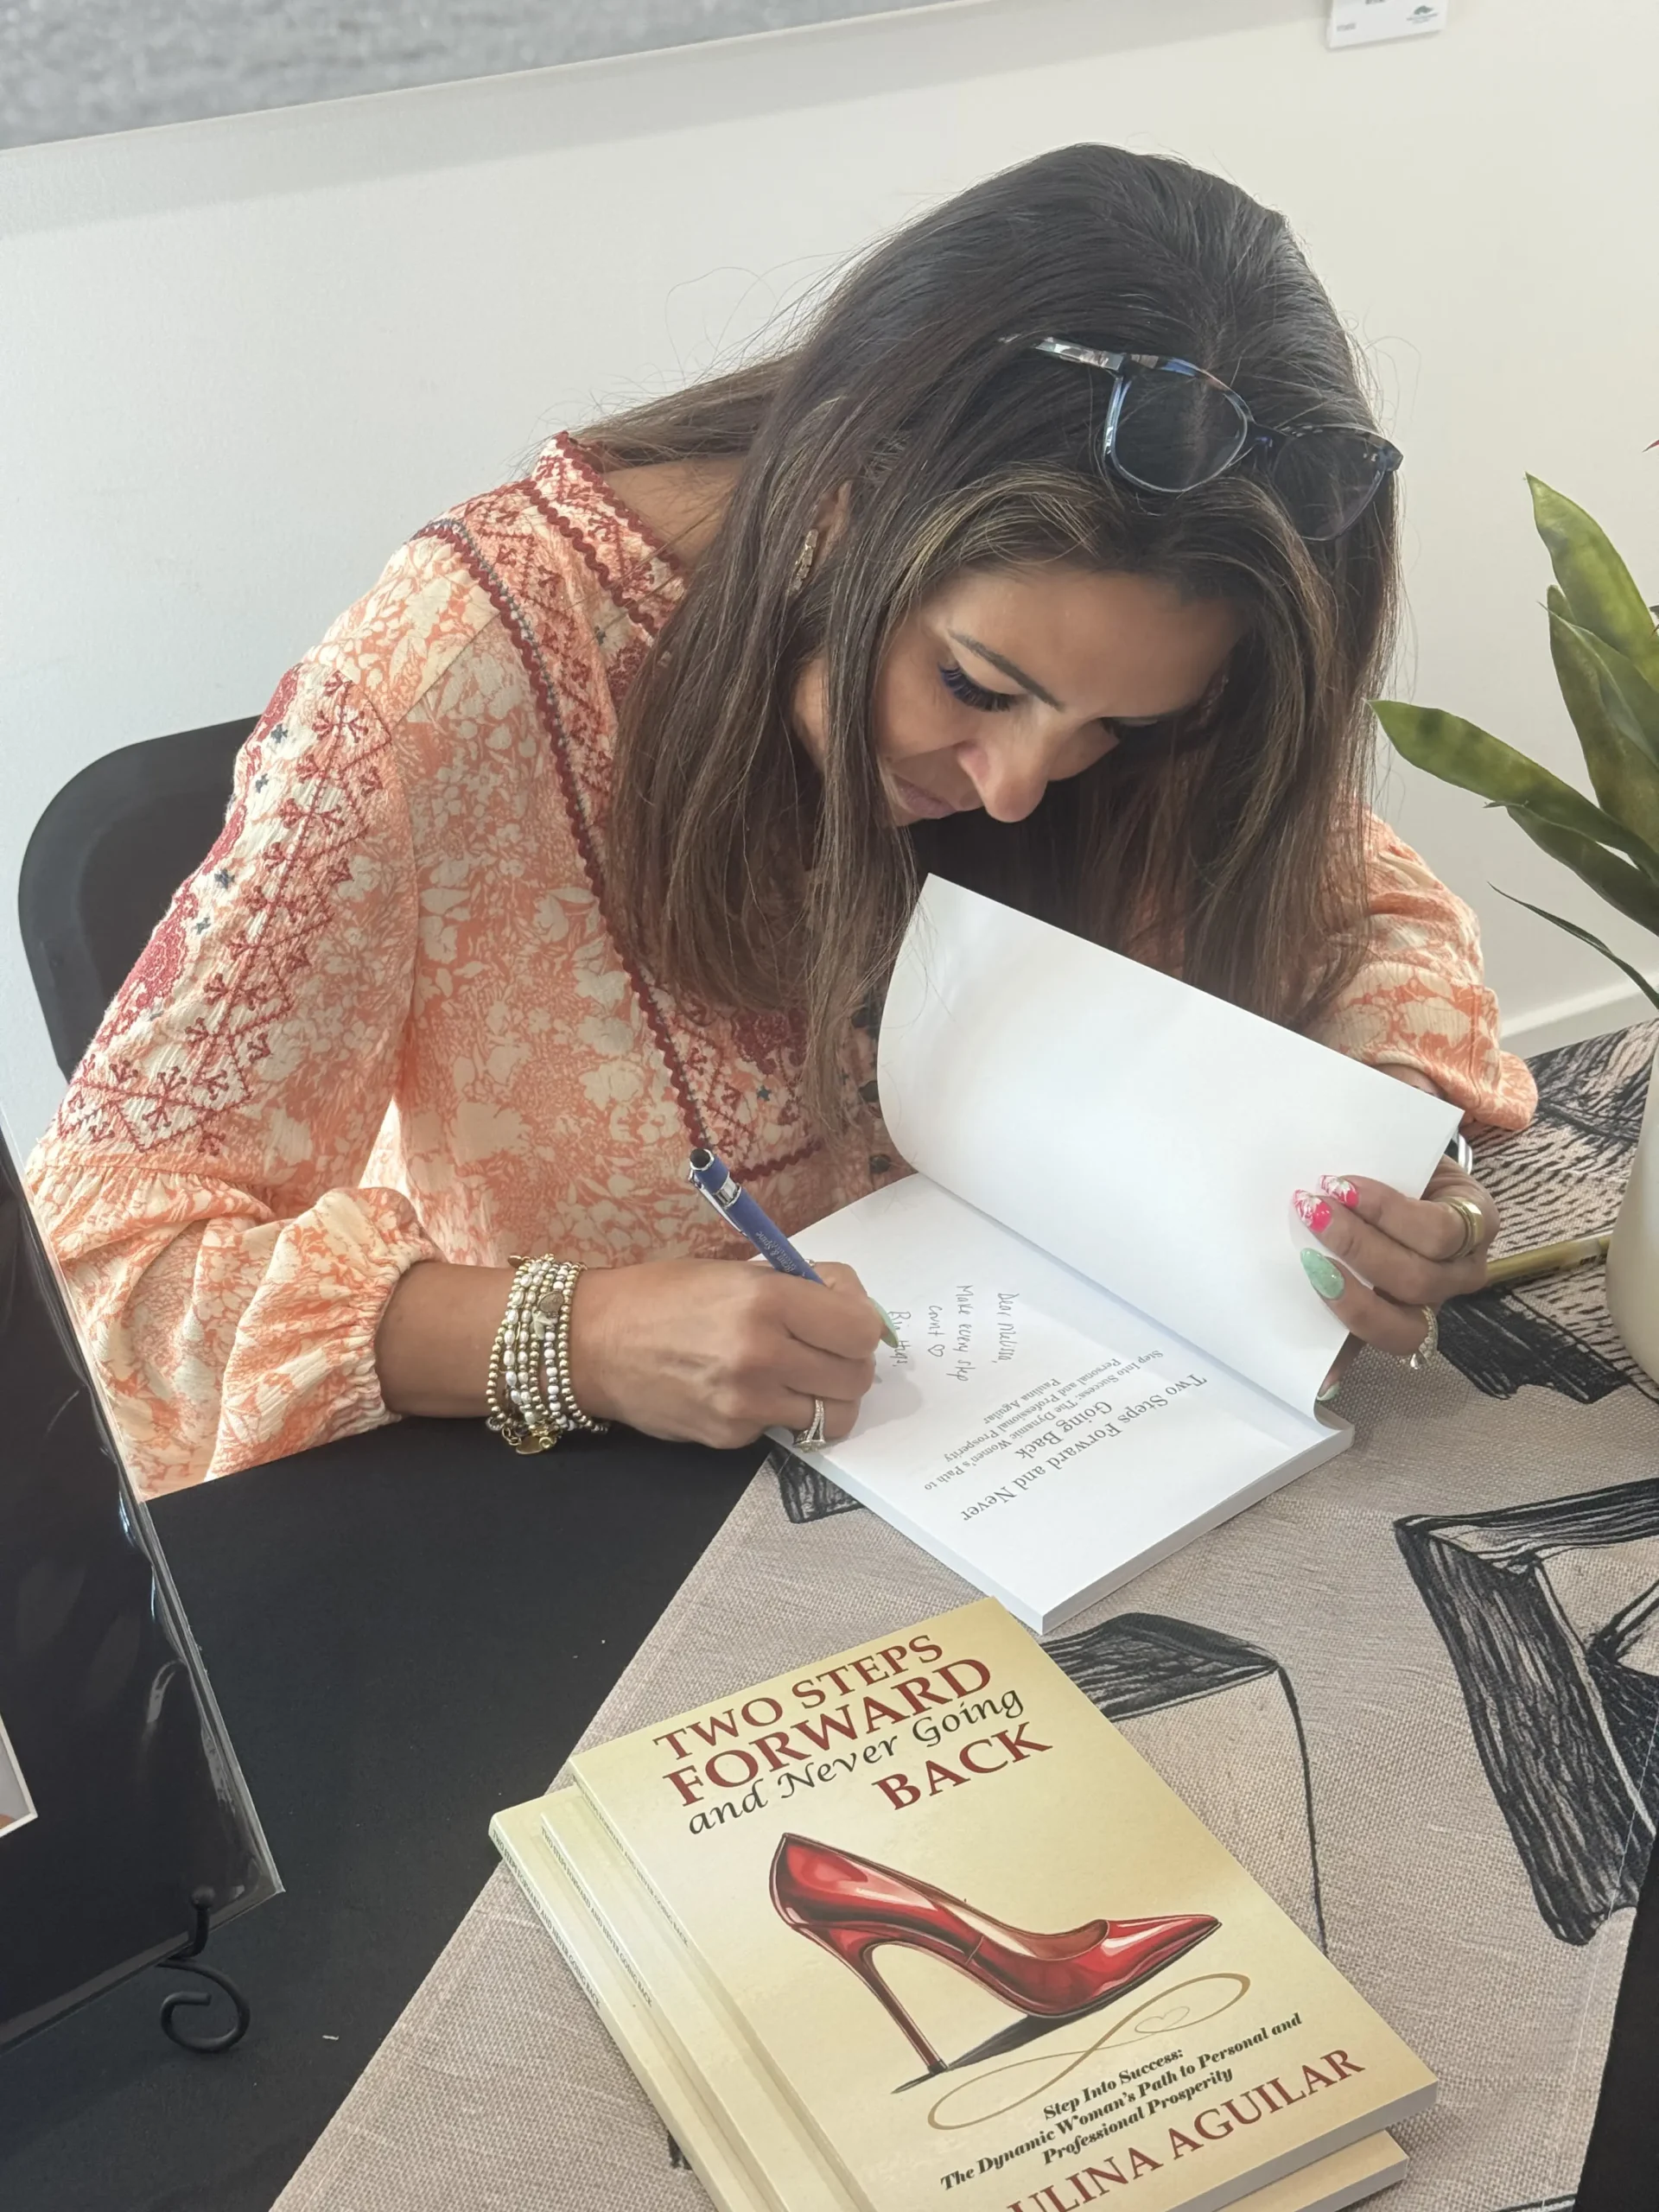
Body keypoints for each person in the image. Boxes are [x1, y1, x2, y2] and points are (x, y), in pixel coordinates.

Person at [26, 144, 1534, 1499]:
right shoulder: (455, 677)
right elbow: (101, 1280)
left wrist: (1373, 1149)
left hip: (1077, 1461)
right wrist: (566, 1335)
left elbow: (1372, 913)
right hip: (600, 1527)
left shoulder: (1161, 640)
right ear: (839, 498)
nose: (1018, 786)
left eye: (1115, 735)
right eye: (974, 683)